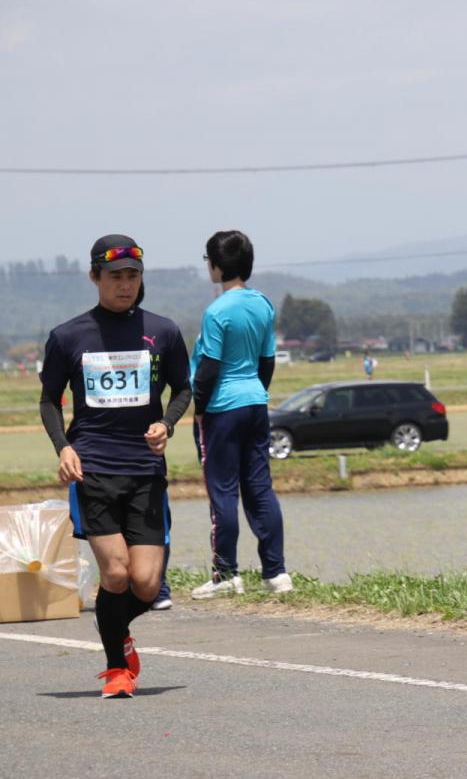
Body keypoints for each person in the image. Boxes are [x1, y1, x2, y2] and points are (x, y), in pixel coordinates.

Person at [39, 235, 191, 697]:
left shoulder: (163, 331)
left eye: (132, 276)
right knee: (117, 573)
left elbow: (183, 388)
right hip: (94, 470)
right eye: (115, 277)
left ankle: (114, 625)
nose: (125, 285)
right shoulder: (68, 336)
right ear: (95, 277)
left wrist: (166, 423)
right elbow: (49, 400)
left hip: (145, 470)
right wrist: (63, 447)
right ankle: (117, 668)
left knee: (145, 584)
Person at [190, 230, 292, 599]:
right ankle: (276, 573)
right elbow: (267, 360)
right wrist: (256, 392)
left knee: (222, 491)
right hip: (255, 402)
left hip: (222, 408)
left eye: (208, 261)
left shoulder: (217, 311)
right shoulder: (263, 304)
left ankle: (226, 574)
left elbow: (209, 367)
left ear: (216, 266)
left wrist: (199, 409)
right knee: (260, 487)